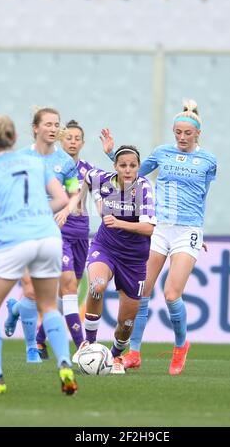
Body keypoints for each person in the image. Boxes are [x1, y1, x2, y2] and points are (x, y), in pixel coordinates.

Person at [100, 99, 217, 375]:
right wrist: (110, 155)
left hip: (187, 230)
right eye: (178, 132)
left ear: (198, 133)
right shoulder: (162, 152)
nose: (182, 137)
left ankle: (180, 347)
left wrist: (198, 231)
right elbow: (132, 173)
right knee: (142, 291)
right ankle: (135, 353)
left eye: (188, 133)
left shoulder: (209, 160)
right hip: (159, 227)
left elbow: (203, 195)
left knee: (172, 293)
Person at [0, 115, 77, 395]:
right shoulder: (34, 162)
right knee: (48, 306)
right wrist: (39, 215)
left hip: (16, 240)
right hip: (49, 237)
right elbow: (63, 200)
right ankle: (64, 363)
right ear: (15, 138)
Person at [71, 145, 156, 374]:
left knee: (126, 323)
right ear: (115, 167)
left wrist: (119, 223)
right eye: (123, 165)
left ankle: (116, 356)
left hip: (134, 258)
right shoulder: (102, 179)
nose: (128, 170)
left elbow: (149, 228)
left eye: (133, 165)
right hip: (105, 247)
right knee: (97, 285)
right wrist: (78, 200)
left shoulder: (144, 188)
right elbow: (83, 173)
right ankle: (88, 343)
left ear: (138, 167)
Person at [3, 108, 79, 363]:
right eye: (47, 124)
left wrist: (68, 209)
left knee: (37, 293)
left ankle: (15, 309)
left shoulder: (65, 162)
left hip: (50, 232)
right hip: (22, 229)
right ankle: (31, 349)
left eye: (56, 124)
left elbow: (74, 192)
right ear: (35, 128)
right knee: (30, 289)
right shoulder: (21, 157)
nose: (53, 128)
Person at [36, 120, 95, 359]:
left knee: (67, 294)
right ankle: (82, 346)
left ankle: (39, 340)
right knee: (69, 286)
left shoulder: (89, 170)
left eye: (76, 138)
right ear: (61, 140)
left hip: (82, 233)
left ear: (82, 142)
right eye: (68, 137)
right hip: (59, 231)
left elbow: (103, 196)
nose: (72, 141)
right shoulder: (53, 167)